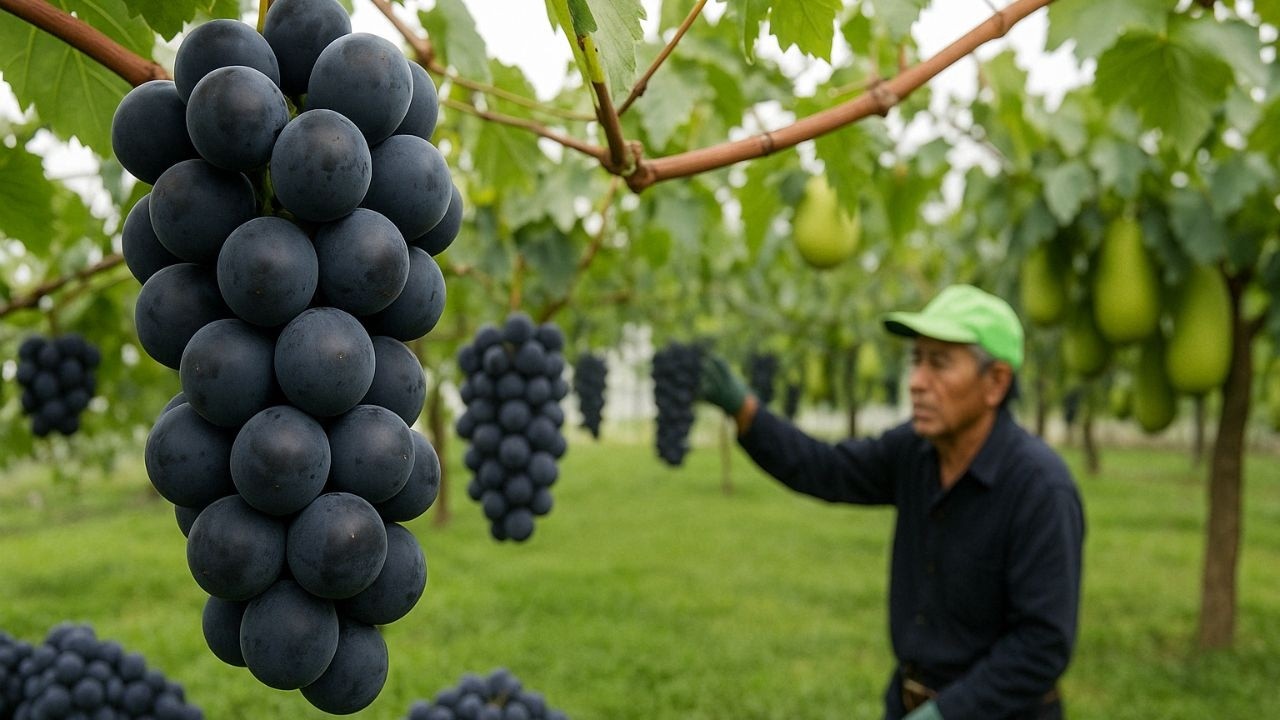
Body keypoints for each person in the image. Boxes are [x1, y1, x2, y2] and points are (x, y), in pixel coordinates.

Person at [699, 284, 1085, 720]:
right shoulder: (916, 452)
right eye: (916, 361)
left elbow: (1042, 645)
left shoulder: (1039, 489)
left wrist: (948, 713)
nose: (917, 382)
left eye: (939, 364)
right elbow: (827, 469)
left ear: (995, 382)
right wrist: (746, 410)